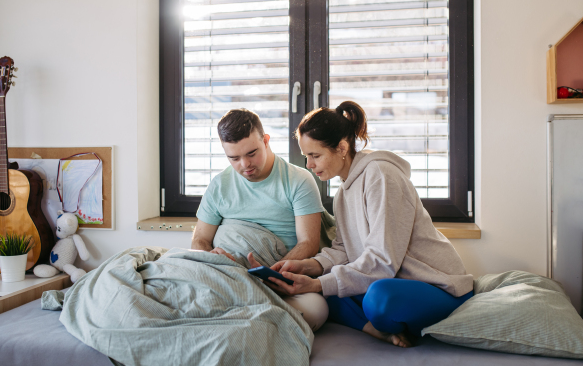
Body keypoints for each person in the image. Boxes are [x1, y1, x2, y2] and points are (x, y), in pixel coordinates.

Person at [264, 101, 474, 347]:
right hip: (394, 280)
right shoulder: (343, 192)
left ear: (341, 148)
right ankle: (375, 328)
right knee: (323, 288)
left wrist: (320, 282)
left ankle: (375, 319)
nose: (309, 165)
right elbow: (344, 249)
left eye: (315, 155)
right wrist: (308, 267)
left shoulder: (381, 175)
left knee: (377, 298)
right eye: (306, 156)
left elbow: (383, 260)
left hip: (435, 287)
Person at [191, 108, 329, 331]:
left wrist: (270, 275)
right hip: (226, 275)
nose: (245, 164)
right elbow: (199, 240)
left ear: (266, 141)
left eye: (251, 153)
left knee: (317, 309)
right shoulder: (219, 184)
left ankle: (236, 312)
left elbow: (308, 244)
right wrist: (211, 256)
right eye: (234, 158)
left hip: (276, 277)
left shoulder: (299, 181)